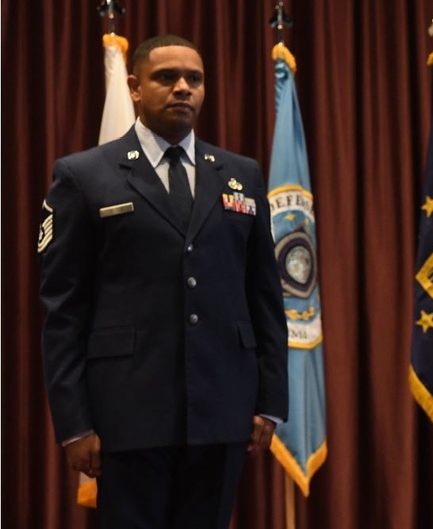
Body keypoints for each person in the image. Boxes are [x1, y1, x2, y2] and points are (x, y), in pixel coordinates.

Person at [38, 34, 288, 529]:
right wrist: (73, 424)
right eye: (166, 77)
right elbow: (63, 309)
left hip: (222, 409)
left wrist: (271, 402)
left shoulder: (241, 174)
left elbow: (265, 297)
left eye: (194, 79)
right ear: (134, 87)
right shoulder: (84, 176)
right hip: (127, 414)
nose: (182, 89)